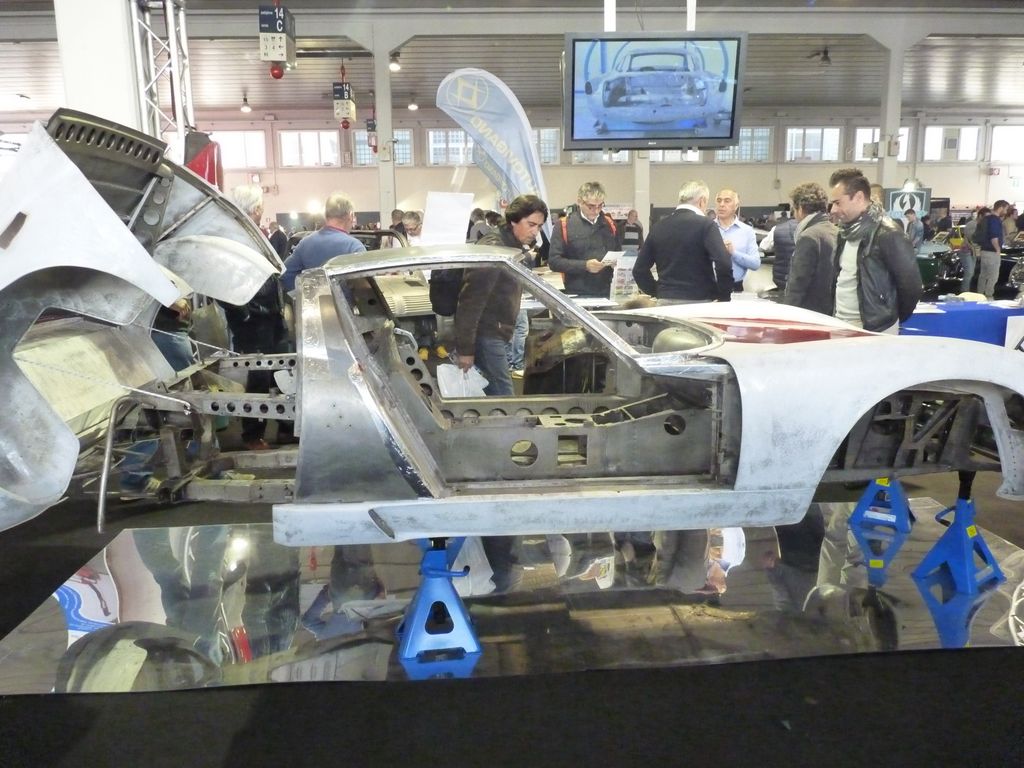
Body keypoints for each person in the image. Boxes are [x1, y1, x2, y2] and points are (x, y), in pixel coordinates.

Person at [455, 194, 549, 396]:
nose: (535, 231)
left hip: (496, 332)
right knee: (504, 398)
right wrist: (465, 350)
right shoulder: (495, 249)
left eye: (539, 226)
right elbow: (470, 301)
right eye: (531, 224)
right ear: (514, 220)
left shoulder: (510, 246)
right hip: (486, 334)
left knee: (495, 396)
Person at [222, 184, 289, 449]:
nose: (262, 210)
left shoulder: (251, 235)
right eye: (260, 205)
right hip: (254, 321)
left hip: (270, 316)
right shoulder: (235, 238)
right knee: (259, 377)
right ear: (255, 207)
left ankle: (286, 428)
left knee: (282, 372)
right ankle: (251, 434)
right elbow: (221, 283)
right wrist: (245, 315)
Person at [828, 168, 922, 333]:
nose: (833, 210)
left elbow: (911, 287)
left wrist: (888, 318)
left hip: (875, 329)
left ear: (858, 197)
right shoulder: (844, 233)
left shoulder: (889, 234)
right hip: (841, 323)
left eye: (838, 203)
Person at [632, 180, 733, 303]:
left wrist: (658, 291)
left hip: (665, 301)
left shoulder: (658, 227)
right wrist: (723, 296)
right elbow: (723, 263)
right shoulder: (706, 225)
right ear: (702, 201)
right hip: (700, 300)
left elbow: (639, 270)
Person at [548, 181, 621, 298]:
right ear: (580, 201)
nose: (596, 211)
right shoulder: (564, 225)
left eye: (600, 206)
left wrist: (617, 263)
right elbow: (554, 262)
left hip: (607, 292)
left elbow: (618, 253)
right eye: (591, 206)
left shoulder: (610, 224)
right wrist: (584, 265)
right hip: (576, 293)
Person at [281, 192, 366, 292]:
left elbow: (284, 276)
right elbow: (365, 287)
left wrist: (305, 293)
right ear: (351, 215)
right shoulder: (354, 247)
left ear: (325, 216)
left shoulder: (305, 243)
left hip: (314, 301)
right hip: (346, 302)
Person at [782, 182, 837, 315]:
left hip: (810, 312)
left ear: (800, 209)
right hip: (831, 310)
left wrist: (787, 314)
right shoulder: (836, 231)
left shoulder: (808, 237)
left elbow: (798, 283)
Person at [713, 187, 760, 292]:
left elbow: (756, 263)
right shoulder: (707, 228)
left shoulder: (747, 231)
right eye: (719, 200)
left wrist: (734, 253)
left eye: (727, 201)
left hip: (735, 288)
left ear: (736, 206)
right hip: (709, 286)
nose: (721, 204)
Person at [977, 199, 1010, 299]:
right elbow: (994, 237)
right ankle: (988, 295)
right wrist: (998, 249)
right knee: (993, 276)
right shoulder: (995, 220)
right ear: (1000, 208)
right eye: (1006, 209)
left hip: (984, 251)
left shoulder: (986, 219)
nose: (1006, 212)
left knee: (983, 275)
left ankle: (979, 295)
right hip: (992, 252)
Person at [761, 213, 798, 293]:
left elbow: (763, 246)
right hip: (812, 281)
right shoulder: (819, 228)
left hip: (784, 279)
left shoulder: (777, 228)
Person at [960, 207, 987, 292]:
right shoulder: (972, 224)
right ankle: (964, 292)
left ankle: (966, 291)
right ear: (980, 216)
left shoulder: (981, 225)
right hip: (967, 251)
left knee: (971, 273)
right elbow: (972, 239)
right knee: (969, 272)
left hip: (973, 252)